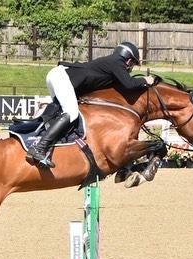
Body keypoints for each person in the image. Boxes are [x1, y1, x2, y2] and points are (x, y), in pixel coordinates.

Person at [26, 41, 156, 168]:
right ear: (128, 60)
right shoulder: (117, 62)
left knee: (60, 111)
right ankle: (40, 148)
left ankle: (39, 142)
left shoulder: (111, 64)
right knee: (71, 113)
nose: (131, 68)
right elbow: (129, 83)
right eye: (133, 64)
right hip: (61, 77)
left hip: (58, 75)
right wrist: (145, 79)